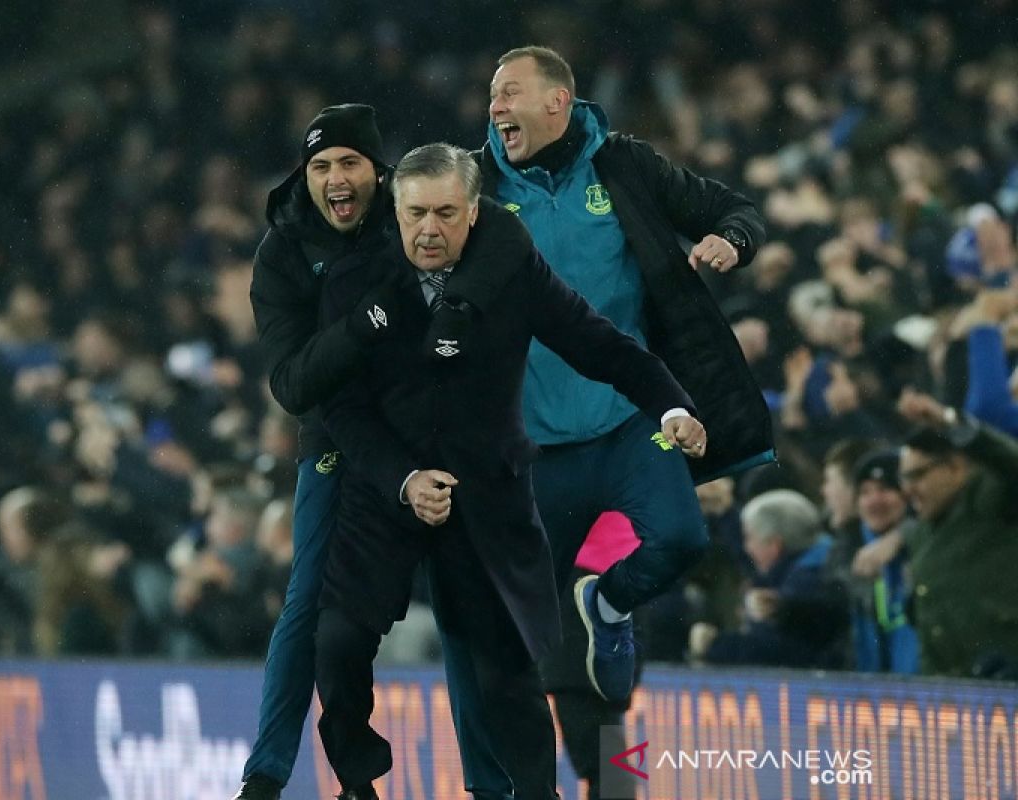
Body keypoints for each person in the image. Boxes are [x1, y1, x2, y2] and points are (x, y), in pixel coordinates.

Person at [312, 143, 706, 800]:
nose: (429, 229)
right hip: (394, 493)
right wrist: (405, 479)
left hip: (514, 532)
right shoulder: (358, 277)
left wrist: (670, 403)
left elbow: (597, 343)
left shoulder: (512, 274)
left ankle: (559, 793)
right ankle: (370, 784)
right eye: (415, 214)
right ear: (395, 212)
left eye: (445, 212)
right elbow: (339, 405)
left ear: (473, 213)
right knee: (346, 642)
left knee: (555, 693)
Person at [479, 45, 771, 701]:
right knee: (513, 618)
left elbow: (736, 210)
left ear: (557, 101)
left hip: (633, 418)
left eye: (510, 93)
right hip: (537, 440)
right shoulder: (474, 189)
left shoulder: (624, 165)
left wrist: (732, 241)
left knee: (681, 540)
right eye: (493, 97)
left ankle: (609, 607)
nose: (495, 108)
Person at [240, 105, 511, 800]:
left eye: (350, 163)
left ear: (376, 169)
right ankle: (266, 778)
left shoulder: (411, 217)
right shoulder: (284, 251)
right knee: (309, 605)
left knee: (465, 608)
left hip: (436, 433)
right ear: (305, 174)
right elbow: (294, 386)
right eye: (321, 166)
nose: (336, 178)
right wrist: (365, 325)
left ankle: (492, 783)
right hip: (339, 438)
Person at [895, 395, 1018, 677]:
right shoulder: (921, 531)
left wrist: (954, 423)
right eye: (904, 479)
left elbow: (1011, 464)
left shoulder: (994, 498)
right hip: (953, 695)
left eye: (917, 476)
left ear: (956, 468)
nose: (908, 490)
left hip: (1006, 684)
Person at [689, 489, 848, 668]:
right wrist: (726, 512)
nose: (746, 548)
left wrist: (716, 644)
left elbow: (776, 651)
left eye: (749, 538)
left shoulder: (806, 579)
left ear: (774, 545)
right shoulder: (815, 560)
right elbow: (747, 561)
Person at [847, 450, 919, 674]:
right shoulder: (849, 549)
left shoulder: (924, 546)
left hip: (927, 695)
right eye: (865, 492)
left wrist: (904, 535)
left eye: (885, 489)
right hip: (876, 696)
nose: (874, 501)